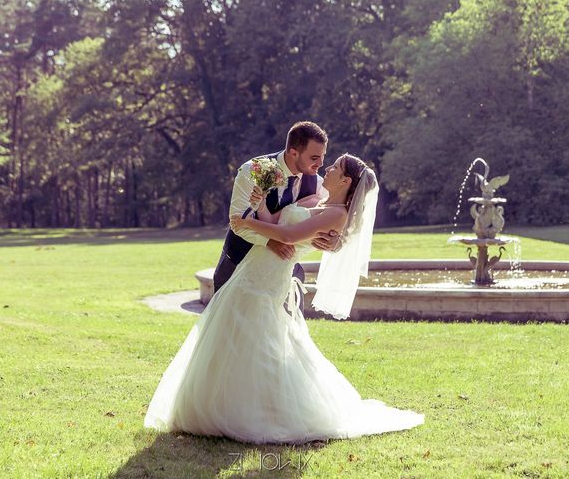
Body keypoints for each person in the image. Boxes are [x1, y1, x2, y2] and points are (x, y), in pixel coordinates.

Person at [144, 153, 424, 444]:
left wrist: (245, 222)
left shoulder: (337, 214)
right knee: (238, 338)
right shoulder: (322, 203)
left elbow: (288, 236)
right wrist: (261, 202)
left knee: (257, 340)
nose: (327, 169)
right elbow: (280, 222)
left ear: (346, 180)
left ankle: (254, 412)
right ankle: (228, 405)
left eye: (335, 167)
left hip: (267, 281)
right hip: (256, 272)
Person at [213, 121, 340, 299]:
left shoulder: (317, 184)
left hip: (283, 273)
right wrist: (271, 242)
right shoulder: (252, 171)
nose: (321, 163)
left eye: (322, 156)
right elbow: (238, 223)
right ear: (293, 152)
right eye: (314, 158)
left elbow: (330, 222)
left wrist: (333, 241)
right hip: (238, 263)